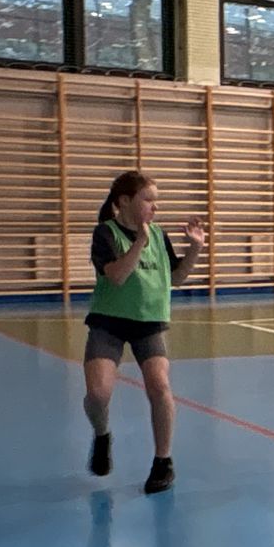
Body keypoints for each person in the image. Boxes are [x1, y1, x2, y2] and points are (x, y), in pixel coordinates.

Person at [83, 171, 205, 493]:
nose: (155, 207)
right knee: (98, 394)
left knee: (160, 385)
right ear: (124, 201)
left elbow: (175, 278)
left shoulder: (160, 236)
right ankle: (102, 435)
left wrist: (194, 249)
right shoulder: (106, 233)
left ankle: (163, 462)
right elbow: (117, 276)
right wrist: (139, 241)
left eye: (156, 201)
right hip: (108, 321)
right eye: (148, 200)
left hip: (148, 322)